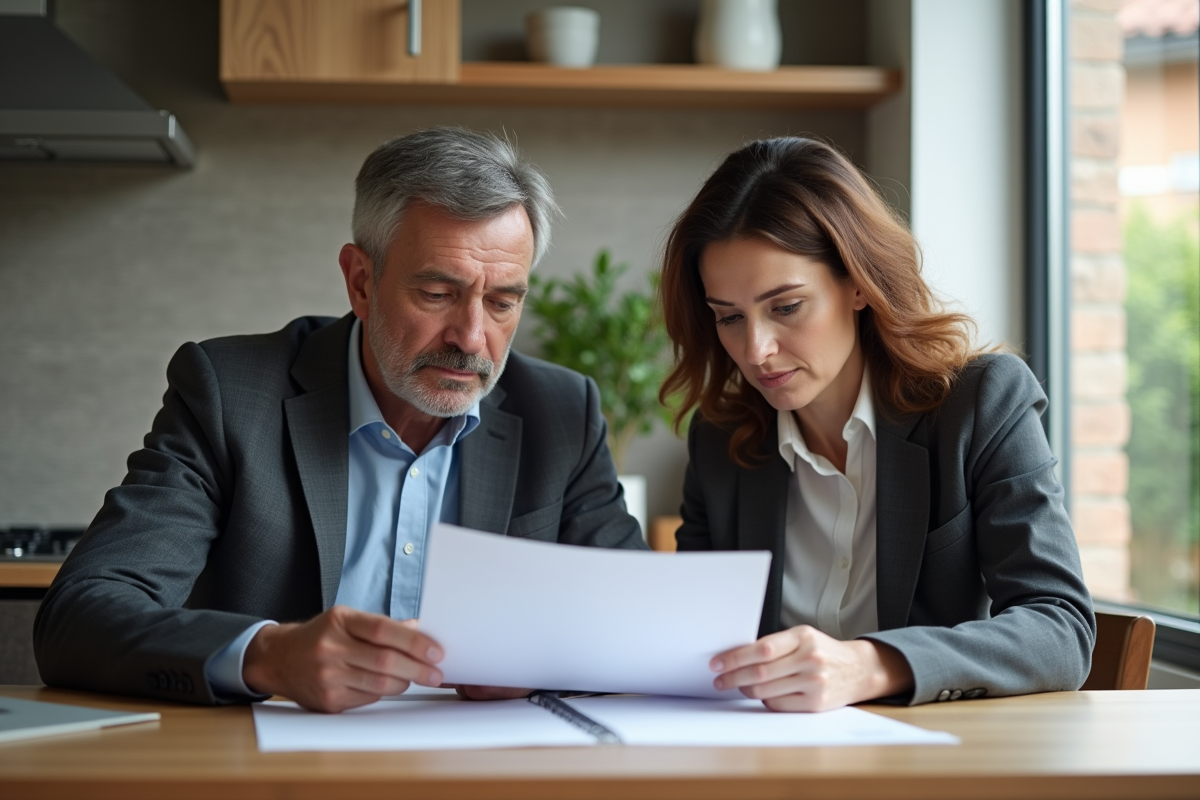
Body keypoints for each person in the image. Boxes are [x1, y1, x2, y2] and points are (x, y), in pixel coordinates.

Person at [34, 127, 645, 713]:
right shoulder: (230, 394)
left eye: (503, 301)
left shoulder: (562, 412)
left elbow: (643, 625)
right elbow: (79, 616)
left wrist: (544, 658)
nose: (471, 337)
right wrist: (268, 656)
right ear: (360, 281)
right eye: (437, 294)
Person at [659, 137, 1095, 711]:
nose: (756, 349)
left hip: (932, 764)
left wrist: (869, 665)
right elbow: (697, 642)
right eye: (729, 318)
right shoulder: (721, 442)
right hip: (764, 764)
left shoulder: (980, 403)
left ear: (858, 282)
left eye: (786, 307)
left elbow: (1061, 629)